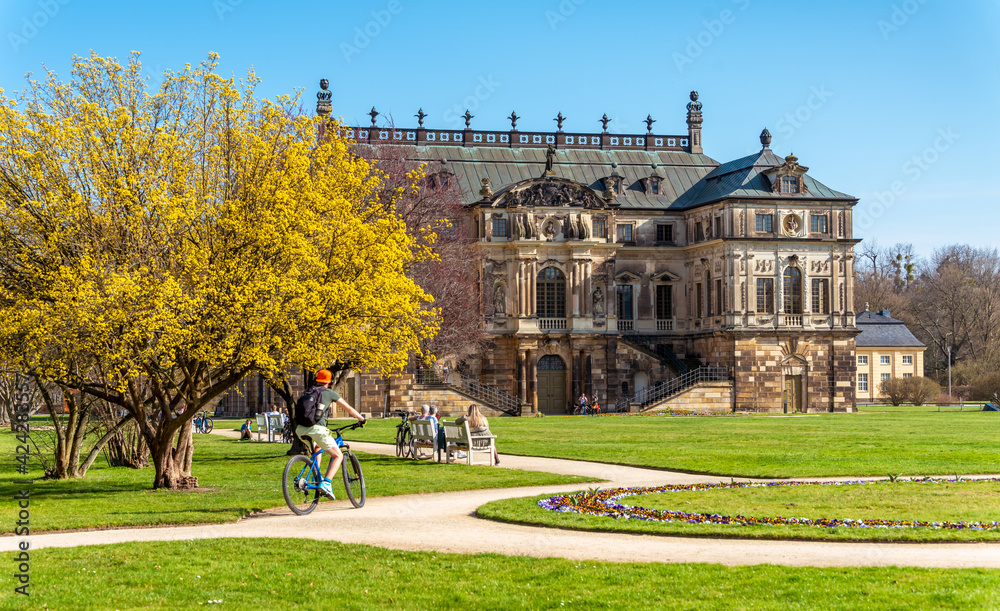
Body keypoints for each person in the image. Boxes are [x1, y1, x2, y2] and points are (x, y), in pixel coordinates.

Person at [294, 369, 365, 499]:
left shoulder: (308, 392)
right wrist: (361, 419)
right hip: (317, 430)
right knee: (338, 456)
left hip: (300, 430)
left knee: (318, 449)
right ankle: (326, 483)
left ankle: (315, 476)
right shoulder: (329, 393)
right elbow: (348, 408)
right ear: (329, 381)